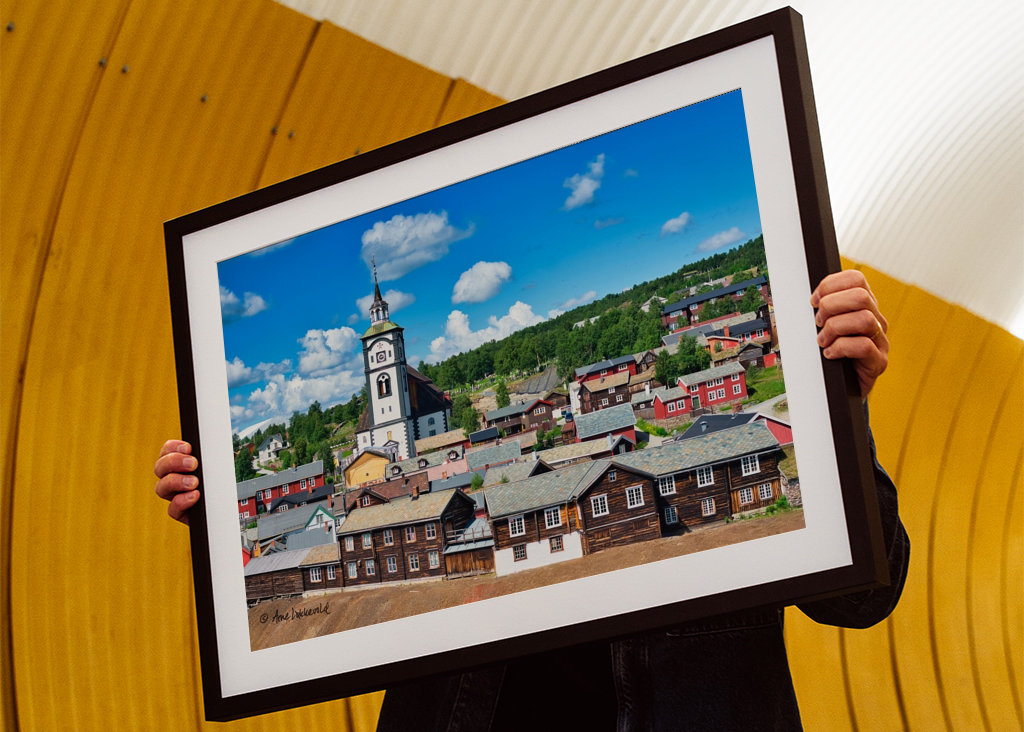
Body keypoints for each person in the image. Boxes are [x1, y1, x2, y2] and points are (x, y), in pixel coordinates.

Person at [155, 270, 908, 731]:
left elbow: (865, 597)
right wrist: (222, 522)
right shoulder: (405, 486)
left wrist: (837, 405)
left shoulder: (697, 471)